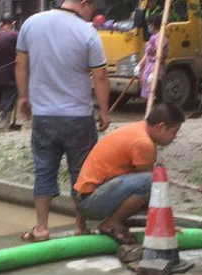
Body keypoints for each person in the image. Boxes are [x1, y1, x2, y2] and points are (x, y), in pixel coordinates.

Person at [15, 0, 111, 242]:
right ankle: (80, 225)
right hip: (78, 117)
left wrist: (23, 97)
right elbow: (100, 75)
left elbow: (21, 63)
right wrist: (104, 111)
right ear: (84, 3)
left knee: (44, 169)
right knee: (82, 173)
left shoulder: (31, 23)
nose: (92, 16)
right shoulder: (87, 32)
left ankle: (42, 227)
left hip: (44, 116)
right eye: (92, 10)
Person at [74, 103, 184, 242]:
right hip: (92, 202)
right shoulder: (143, 143)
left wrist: (80, 225)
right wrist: (164, 223)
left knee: (146, 184)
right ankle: (111, 223)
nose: (174, 137)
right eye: (174, 132)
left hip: (84, 199)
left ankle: (115, 221)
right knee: (152, 180)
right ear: (161, 127)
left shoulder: (138, 128)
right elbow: (152, 189)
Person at [0, 13, 19, 131]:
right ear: (13, 24)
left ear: (0, 24)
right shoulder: (16, 35)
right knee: (9, 97)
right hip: (9, 74)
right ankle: (4, 124)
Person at [137, 14, 169, 100]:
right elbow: (147, 54)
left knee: (156, 94)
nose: (148, 27)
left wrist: (154, 72)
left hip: (157, 68)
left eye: (149, 24)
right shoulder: (152, 37)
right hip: (148, 67)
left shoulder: (161, 38)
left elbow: (159, 56)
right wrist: (140, 65)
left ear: (153, 25)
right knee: (148, 95)